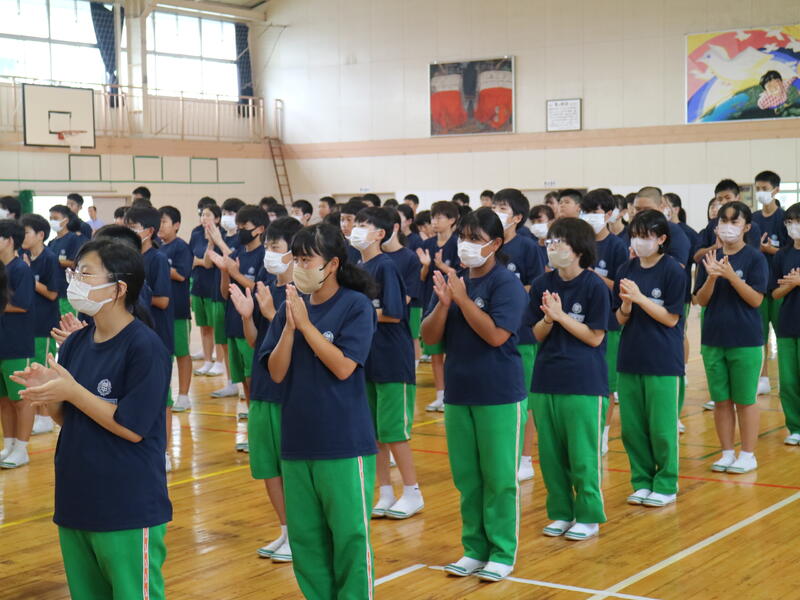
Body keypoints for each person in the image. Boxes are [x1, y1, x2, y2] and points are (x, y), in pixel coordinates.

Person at [12, 238, 172, 599]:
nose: (75, 282)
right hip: (77, 500)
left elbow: (132, 428)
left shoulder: (144, 347)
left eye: (86, 273)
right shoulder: (76, 343)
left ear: (118, 288)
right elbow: (69, 419)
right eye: (74, 273)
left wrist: (72, 391)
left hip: (126, 504)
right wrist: (49, 393)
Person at [258, 223, 378, 600]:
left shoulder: (355, 306)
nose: (299, 266)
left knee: (349, 537)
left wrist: (307, 327)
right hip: (297, 441)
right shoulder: (289, 308)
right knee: (306, 540)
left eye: (307, 259)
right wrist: (289, 329)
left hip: (344, 442)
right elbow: (276, 372)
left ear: (333, 264)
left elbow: (343, 367)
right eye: (296, 259)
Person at [421, 207, 527, 582]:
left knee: (499, 478)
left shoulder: (506, 284)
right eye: (463, 238)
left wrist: (463, 301)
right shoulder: (455, 282)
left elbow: (496, 335)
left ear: (495, 244)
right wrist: (445, 304)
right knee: (468, 478)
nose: (465, 245)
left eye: (475, 239)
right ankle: (474, 549)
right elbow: (429, 337)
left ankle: (501, 551)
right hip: (459, 392)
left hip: (499, 393)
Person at [529, 217, 610, 541]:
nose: (552, 247)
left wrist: (561, 316)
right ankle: (561, 512)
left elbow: (594, 337)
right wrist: (549, 319)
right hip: (546, 379)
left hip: (583, 382)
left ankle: (588, 516)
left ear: (578, 248)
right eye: (550, 242)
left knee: (582, 454)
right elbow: (535, 334)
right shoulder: (541, 284)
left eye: (559, 242)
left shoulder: (594, 286)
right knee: (551, 455)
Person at [229, 216, 301, 562]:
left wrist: (273, 314)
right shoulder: (266, 288)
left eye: (275, 247)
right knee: (267, 466)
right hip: (261, 390)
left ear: (293, 252)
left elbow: (302, 344)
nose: (269, 253)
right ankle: (286, 530)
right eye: (268, 246)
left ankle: (301, 535)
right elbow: (256, 342)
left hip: (288, 393)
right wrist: (248, 315)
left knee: (291, 467)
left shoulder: (302, 293)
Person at [351, 207, 423, 520]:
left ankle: (412, 492)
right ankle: (385, 492)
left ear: (381, 234)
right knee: (374, 433)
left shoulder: (386, 266)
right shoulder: (357, 266)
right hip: (366, 359)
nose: (357, 228)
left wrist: (357, 313)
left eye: (364, 225)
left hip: (392, 360)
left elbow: (394, 312)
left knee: (394, 431)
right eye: (356, 223)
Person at [614, 210, 686, 507]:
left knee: (661, 427)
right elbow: (618, 319)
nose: (638, 241)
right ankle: (642, 481)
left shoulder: (673, 271)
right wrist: (626, 307)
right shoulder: (625, 269)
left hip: (663, 360)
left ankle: (666, 483)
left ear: (661, 239)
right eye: (635, 235)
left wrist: (640, 298)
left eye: (645, 236)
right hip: (630, 358)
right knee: (633, 428)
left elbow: (671, 318)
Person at [694, 201, 767, 474]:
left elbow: (756, 299)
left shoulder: (755, 258)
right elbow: (700, 300)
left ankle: (748, 454)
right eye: (723, 220)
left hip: (746, 340)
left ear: (746, 227)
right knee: (721, 401)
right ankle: (726, 452)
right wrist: (712, 277)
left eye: (734, 221)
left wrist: (731, 276)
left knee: (745, 400)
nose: (727, 226)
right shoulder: (708, 258)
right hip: (713, 339)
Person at [492, 189, 545, 482]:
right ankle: (505, 454)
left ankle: (525, 458)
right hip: (490, 332)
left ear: (517, 217)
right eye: (494, 206)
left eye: (502, 208)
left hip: (521, 332)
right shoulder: (488, 245)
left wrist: (504, 291)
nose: (496, 212)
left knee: (524, 398)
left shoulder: (527, 247)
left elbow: (536, 286)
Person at [208, 206, 267, 442]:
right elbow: (225, 293)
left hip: (251, 328)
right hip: (232, 324)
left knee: (254, 382)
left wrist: (236, 273)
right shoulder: (236, 254)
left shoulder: (264, 256)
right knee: (243, 381)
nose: (241, 231)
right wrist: (225, 271)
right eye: (239, 227)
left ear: (259, 229)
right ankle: (252, 429)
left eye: (245, 227)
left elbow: (260, 291)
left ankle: (258, 433)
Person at [125, 206, 175, 470]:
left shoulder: (157, 259)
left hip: (158, 336)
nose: (129, 232)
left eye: (133, 227)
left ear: (149, 231)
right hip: (134, 338)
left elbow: (164, 300)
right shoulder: (129, 259)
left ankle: (163, 450)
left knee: (162, 399)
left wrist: (133, 295)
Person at [580, 189, 629, 455]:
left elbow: (621, 287)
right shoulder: (579, 243)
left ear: (609, 214)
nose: (589, 217)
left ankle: (603, 432)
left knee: (607, 383)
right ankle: (586, 429)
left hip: (609, 319)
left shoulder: (617, 246)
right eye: (586, 211)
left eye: (595, 212)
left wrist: (592, 275)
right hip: (580, 320)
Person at [418, 201, 462, 411]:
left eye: (439, 217)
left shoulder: (458, 244)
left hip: (452, 303)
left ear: (452, 220)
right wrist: (426, 266)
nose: (434, 222)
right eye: (432, 218)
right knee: (435, 352)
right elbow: (422, 277)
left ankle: (453, 393)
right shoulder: (427, 244)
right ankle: (440, 395)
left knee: (452, 352)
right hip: (431, 301)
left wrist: (443, 267)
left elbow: (460, 274)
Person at [0, 219, 35, 468]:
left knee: (21, 399)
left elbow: (22, 304)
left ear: (10, 241)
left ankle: (22, 449)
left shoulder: (21, 269)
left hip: (16, 344)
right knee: (3, 400)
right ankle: (9, 444)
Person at [21, 214, 60, 435]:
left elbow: (52, 293)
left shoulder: (49, 258)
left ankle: (45, 417)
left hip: (44, 324)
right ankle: (36, 415)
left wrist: (28, 275)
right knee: (30, 372)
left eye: (27, 232)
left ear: (40, 235)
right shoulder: (24, 256)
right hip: (28, 324)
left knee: (42, 370)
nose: (23, 237)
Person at [664, 192, 700, 428]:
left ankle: (683, 369)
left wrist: (695, 291)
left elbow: (695, 261)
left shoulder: (685, 233)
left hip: (679, 295)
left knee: (679, 332)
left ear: (674, 209)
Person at [753, 170, 789, 396]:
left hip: (780, 286)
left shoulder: (785, 219)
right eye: (758, 188)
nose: (761, 192)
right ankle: (762, 377)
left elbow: (789, 252)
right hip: (758, 286)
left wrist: (769, 249)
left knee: (783, 335)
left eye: (764, 188)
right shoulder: (753, 219)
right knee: (759, 335)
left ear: (776, 190)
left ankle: (788, 378)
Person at [205, 198, 245, 400]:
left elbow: (234, 263)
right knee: (223, 342)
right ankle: (231, 382)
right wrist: (212, 241)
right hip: (219, 292)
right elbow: (208, 262)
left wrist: (219, 241)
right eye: (225, 213)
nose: (227, 217)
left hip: (235, 297)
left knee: (239, 345)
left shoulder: (239, 239)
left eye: (231, 213)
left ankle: (244, 384)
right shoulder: (221, 237)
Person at [158, 206, 194, 413]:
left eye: (164, 222)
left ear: (176, 225)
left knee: (182, 352)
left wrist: (160, 266)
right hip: (160, 312)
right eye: (159, 222)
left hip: (178, 310)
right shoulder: (157, 247)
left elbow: (181, 274)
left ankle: (184, 395)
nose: (160, 226)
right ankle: (166, 393)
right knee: (163, 354)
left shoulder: (181, 247)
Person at [772, 202, 800, 445]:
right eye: (789, 222)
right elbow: (774, 292)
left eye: (797, 221)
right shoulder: (782, 255)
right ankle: (795, 427)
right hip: (787, 324)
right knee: (789, 382)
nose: (793, 226)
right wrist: (791, 285)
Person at [384, 207, 423, 367]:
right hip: (376, 330)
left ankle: (415, 364)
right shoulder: (370, 257)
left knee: (413, 337)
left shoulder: (409, 257)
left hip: (403, 317)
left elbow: (403, 300)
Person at [190, 198, 224, 376]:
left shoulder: (221, 237)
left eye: (208, 215)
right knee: (204, 327)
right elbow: (190, 259)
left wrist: (200, 261)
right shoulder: (196, 234)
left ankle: (220, 362)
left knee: (217, 327)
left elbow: (211, 263)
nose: (204, 218)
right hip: (198, 286)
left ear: (217, 219)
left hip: (214, 288)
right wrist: (199, 262)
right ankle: (207, 361)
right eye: (202, 214)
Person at [693, 179, 762, 264]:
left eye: (727, 198)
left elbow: (754, 258)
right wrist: (715, 247)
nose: (723, 202)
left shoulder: (751, 226)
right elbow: (697, 257)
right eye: (720, 199)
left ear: (738, 197)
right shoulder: (712, 224)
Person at [48, 205, 84, 316]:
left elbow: (77, 264)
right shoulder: (52, 243)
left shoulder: (73, 238)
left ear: (66, 220)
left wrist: (56, 261)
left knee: (67, 321)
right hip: (52, 290)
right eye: (50, 218)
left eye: (55, 218)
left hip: (66, 291)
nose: (52, 221)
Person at [339, 199, 366, 264]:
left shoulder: (366, 245)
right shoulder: (340, 245)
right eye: (342, 219)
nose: (344, 224)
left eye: (349, 219)